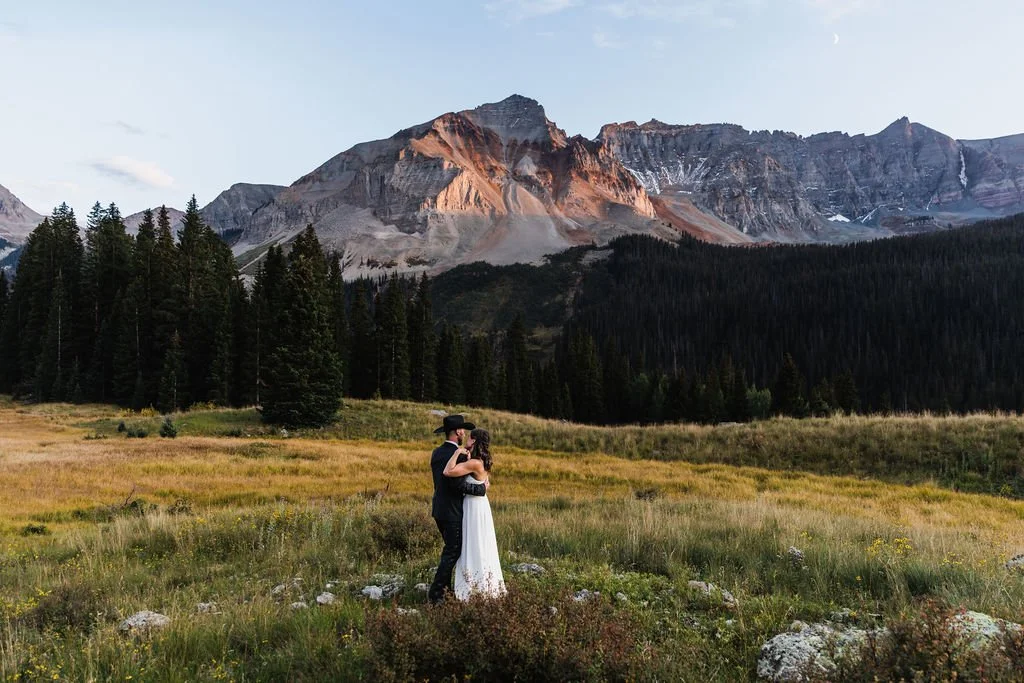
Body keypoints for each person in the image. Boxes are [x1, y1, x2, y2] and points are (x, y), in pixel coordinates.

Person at [428, 415, 489, 604]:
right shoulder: (461, 455)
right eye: (463, 430)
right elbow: (456, 485)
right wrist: (480, 489)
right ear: (458, 432)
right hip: (453, 511)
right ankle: (437, 595)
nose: (465, 433)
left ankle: (445, 592)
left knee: (450, 551)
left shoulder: (436, 452)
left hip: (439, 509)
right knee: (452, 552)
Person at [444, 427, 506, 600]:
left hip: (472, 506)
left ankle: (472, 586)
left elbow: (448, 471)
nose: (467, 441)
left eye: (470, 439)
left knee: (473, 542)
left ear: (475, 441)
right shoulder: (484, 461)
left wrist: (456, 453)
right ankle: (485, 584)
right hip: (481, 505)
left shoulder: (474, 463)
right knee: (481, 542)